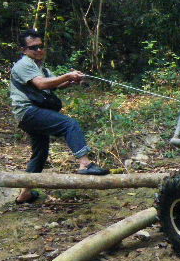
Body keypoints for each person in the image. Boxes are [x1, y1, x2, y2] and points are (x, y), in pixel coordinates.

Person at [10, 29, 109, 204]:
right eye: (33, 48)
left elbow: (54, 84)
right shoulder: (23, 64)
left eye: (40, 46)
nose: (39, 50)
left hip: (31, 114)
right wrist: (67, 75)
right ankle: (85, 164)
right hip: (28, 112)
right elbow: (41, 84)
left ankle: (25, 193)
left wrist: (71, 80)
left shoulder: (40, 67)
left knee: (40, 153)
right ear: (24, 50)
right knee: (69, 124)